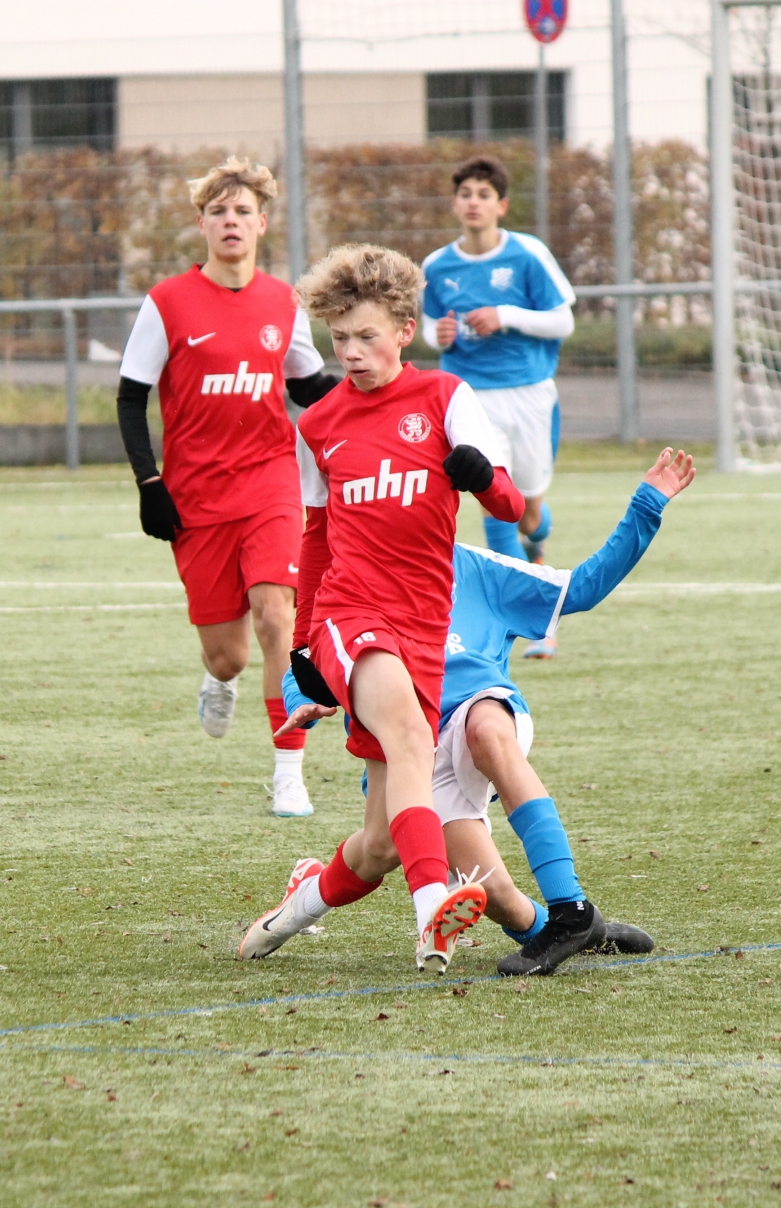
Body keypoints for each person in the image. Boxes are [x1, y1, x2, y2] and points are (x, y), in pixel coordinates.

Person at [243, 449, 695, 976]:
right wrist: (302, 698)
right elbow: (307, 657)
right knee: (439, 873)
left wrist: (646, 506)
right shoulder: (350, 584)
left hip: (479, 711)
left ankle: (571, 908)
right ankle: (304, 902)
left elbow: (581, 587)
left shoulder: (477, 568)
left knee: (486, 729)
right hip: (413, 755)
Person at [283, 242, 526, 975]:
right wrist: (303, 649)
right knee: (415, 740)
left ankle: (290, 912)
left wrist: (481, 477)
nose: (350, 353)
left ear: (405, 330)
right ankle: (432, 915)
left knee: (380, 843)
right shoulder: (318, 424)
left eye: (365, 336)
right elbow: (316, 537)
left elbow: (509, 505)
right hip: (351, 613)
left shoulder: (446, 398)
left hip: (422, 623)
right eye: (339, 339)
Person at [116, 158, 342, 817]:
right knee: (228, 656)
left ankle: (288, 773)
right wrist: (149, 482)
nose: (231, 221)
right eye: (218, 211)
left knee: (277, 616)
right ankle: (219, 681)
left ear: (262, 223)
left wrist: (370, 394)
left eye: (243, 211)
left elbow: (307, 385)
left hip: (271, 481)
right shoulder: (167, 302)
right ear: (202, 225)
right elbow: (130, 398)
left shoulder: (282, 302)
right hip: (196, 497)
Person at [422, 155, 576, 660]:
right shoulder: (436, 266)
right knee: (495, 504)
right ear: (454, 203)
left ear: (501, 206)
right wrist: (438, 334)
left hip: (528, 395)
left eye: (484, 195)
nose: (474, 202)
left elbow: (562, 321)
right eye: (465, 194)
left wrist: (504, 315)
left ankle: (538, 539)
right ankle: (535, 625)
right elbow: (427, 326)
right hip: (470, 398)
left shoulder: (528, 255)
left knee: (528, 510)